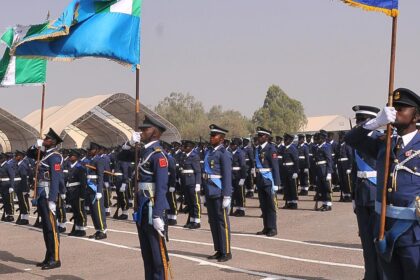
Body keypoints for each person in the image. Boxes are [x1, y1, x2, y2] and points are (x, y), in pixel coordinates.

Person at [345, 88, 420, 280]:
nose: (396, 111)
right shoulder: (384, 142)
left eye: (402, 108)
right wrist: (376, 122)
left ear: (416, 116)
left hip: (413, 232)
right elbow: (351, 139)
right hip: (384, 228)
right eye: (393, 107)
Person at [131, 116, 172, 279]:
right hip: (142, 206)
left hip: (152, 206)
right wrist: (129, 144)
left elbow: (162, 187)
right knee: (146, 255)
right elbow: (120, 157)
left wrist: (157, 214)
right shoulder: (143, 151)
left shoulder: (158, 155)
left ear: (155, 133)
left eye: (145, 129)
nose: (141, 132)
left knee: (157, 257)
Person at [348, 105, 382, 280]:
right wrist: (354, 197)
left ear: (372, 122)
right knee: (367, 242)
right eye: (358, 121)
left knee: (380, 240)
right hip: (362, 196)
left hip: (377, 194)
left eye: (362, 121)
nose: (359, 124)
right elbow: (355, 171)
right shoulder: (355, 142)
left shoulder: (381, 139)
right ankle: (370, 274)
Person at [30, 128, 63, 270]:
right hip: (42, 194)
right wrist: (36, 146)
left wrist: (52, 200)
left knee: (52, 228)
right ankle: (48, 256)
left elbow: (56, 179)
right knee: (45, 228)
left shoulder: (54, 156)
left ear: (53, 142)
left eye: (46, 139)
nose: (44, 140)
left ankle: (55, 258)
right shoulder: (44, 154)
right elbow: (29, 154)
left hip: (48, 194)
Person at [203, 124, 233, 262]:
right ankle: (218, 249)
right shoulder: (209, 152)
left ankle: (226, 251)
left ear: (221, 139)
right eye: (211, 135)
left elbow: (227, 175)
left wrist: (227, 195)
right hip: (210, 191)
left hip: (219, 191)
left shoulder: (224, 154)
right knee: (213, 222)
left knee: (222, 222)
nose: (211, 137)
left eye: (214, 135)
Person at [254, 127, 281, 236]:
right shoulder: (257, 149)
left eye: (261, 136)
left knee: (270, 205)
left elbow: (275, 167)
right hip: (260, 179)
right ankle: (266, 227)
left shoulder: (271, 149)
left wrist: (276, 183)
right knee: (263, 205)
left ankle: (273, 228)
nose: (259, 137)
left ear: (267, 137)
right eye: (258, 136)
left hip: (269, 179)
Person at [180, 140, 202, 229]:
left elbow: (198, 171)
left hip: (192, 182)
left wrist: (198, 184)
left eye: (186, 147)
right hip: (186, 182)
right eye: (184, 147)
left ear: (191, 148)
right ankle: (191, 220)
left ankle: (197, 221)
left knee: (195, 202)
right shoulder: (184, 156)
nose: (184, 148)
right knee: (189, 203)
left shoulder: (194, 156)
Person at [66, 149, 88, 237]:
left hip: (78, 191)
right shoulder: (71, 167)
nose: (70, 158)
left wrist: (82, 195)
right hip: (72, 191)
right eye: (70, 156)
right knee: (75, 211)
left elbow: (83, 182)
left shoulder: (80, 167)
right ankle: (76, 228)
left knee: (80, 211)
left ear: (76, 157)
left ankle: (82, 229)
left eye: (72, 156)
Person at [314, 130, 333, 211]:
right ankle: (324, 203)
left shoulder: (326, 147)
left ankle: (328, 204)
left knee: (326, 187)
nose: (317, 140)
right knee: (321, 187)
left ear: (322, 139)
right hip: (319, 169)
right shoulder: (317, 147)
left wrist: (329, 172)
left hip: (324, 169)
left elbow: (329, 160)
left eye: (318, 139)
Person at [280, 133, 299, 209]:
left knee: (292, 187)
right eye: (284, 139)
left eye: (286, 139)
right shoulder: (284, 148)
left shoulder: (292, 148)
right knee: (286, 186)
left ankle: (294, 203)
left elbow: (296, 161)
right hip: (285, 170)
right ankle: (288, 202)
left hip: (291, 169)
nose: (284, 141)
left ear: (290, 140)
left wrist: (295, 171)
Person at [230, 138, 247, 217]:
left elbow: (243, 166)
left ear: (237, 146)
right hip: (232, 175)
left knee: (240, 193)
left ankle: (242, 209)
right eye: (231, 144)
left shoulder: (240, 153)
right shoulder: (230, 152)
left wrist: (243, 178)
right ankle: (237, 208)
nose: (231, 146)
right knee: (234, 194)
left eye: (233, 145)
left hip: (238, 175)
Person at [0, 152, 15, 222]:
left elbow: (12, 176)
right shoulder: (1, 166)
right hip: (2, 185)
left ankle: (10, 215)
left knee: (8, 201)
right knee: (4, 201)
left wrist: (11, 186)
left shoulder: (7, 166)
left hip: (7, 185)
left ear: (3, 159)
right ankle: (6, 214)